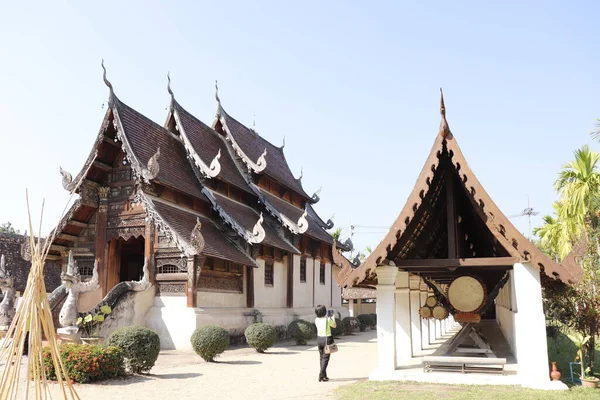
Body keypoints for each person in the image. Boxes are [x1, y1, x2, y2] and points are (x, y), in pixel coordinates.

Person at [314, 304, 336, 382]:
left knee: (321, 358)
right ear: (324, 312)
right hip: (327, 339)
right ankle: (321, 375)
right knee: (326, 358)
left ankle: (324, 376)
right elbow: (334, 326)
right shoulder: (327, 320)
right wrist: (332, 317)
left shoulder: (316, 319)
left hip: (319, 339)